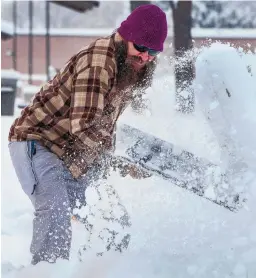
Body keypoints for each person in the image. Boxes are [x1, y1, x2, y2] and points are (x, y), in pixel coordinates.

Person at [8, 4, 168, 264]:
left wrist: (116, 159)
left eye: (153, 52)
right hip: (39, 142)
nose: (146, 56)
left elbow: (102, 125)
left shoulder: (129, 65)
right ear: (126, 36)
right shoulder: (99, 63)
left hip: (75, 152)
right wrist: (119, 162)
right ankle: (47, 272)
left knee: (115, 224)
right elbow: (84, 126)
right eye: (141, 48)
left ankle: (101, 270)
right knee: (56, 214)